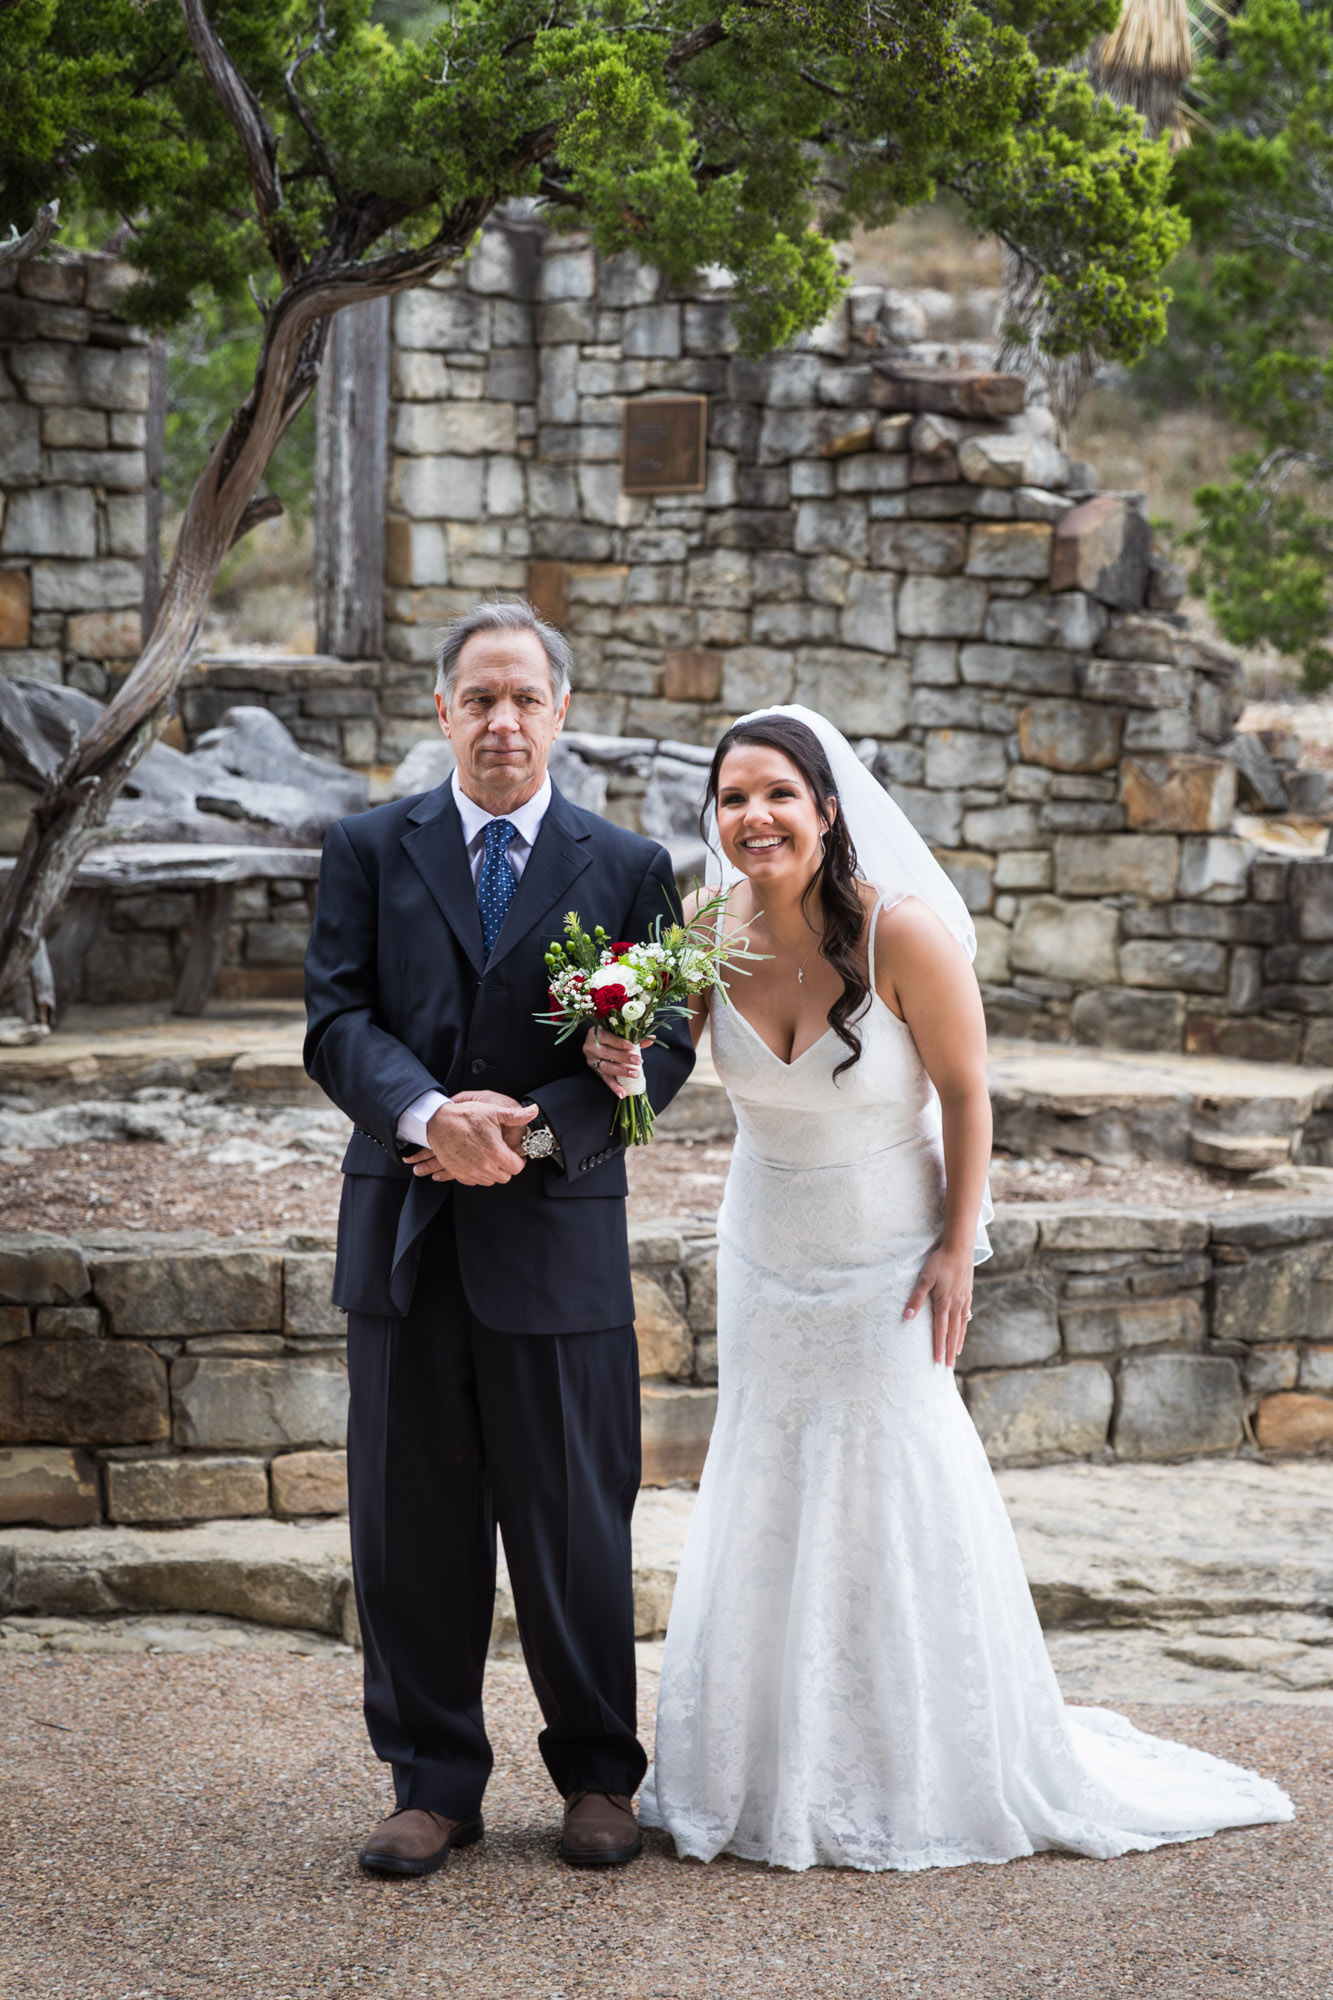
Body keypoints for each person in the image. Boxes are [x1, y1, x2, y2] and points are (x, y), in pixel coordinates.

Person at [585, 704, 1292, 1874]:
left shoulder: (902, 933)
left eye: (776, 794)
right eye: (731, 798)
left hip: (888, 1254)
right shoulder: (705, 927)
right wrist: (617, 1056)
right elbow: (655, 1057)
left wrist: (958, 1247)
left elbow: (968, 1096)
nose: (752, 816)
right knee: (768, 1473)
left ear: (824, 808)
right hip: (766, 1252)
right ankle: (764, 1763)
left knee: (891, 1474)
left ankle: (910, 1756)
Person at [303, 601, 694, 1879]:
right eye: (479, 698)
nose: (503, 721)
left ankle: (595, 1773)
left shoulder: (629, 864)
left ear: (562, 711)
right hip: (408, 1230)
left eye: (525, 698)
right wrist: (428, 1111)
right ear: (442, 711)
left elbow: (664, 1049)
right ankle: (433, 1782)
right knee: (408, 1517)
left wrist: (529, 1129)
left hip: (555, 1236)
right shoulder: (367, 845)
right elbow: (334, 1020)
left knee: (576, 1517)